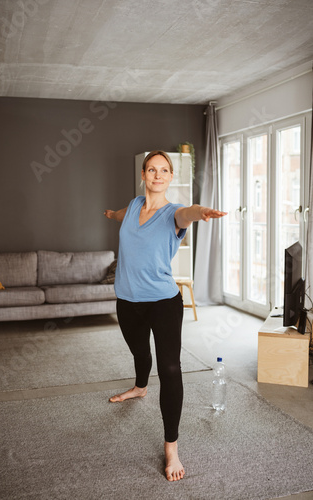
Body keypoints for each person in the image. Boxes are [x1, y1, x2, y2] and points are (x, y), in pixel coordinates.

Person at [104, 150, 226, 482]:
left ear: (171, 177)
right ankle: (140, 387)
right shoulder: (131, 207)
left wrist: (201, 212)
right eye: (152, 169)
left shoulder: (174, 214)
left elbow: (189, 213)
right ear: (143, 175)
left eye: (164, 170)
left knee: (170, 367)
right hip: (127, 301)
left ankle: (171, 445)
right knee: (139, 352)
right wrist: (111, 213)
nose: (158, 175)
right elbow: (118, 215)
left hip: (163, 301)